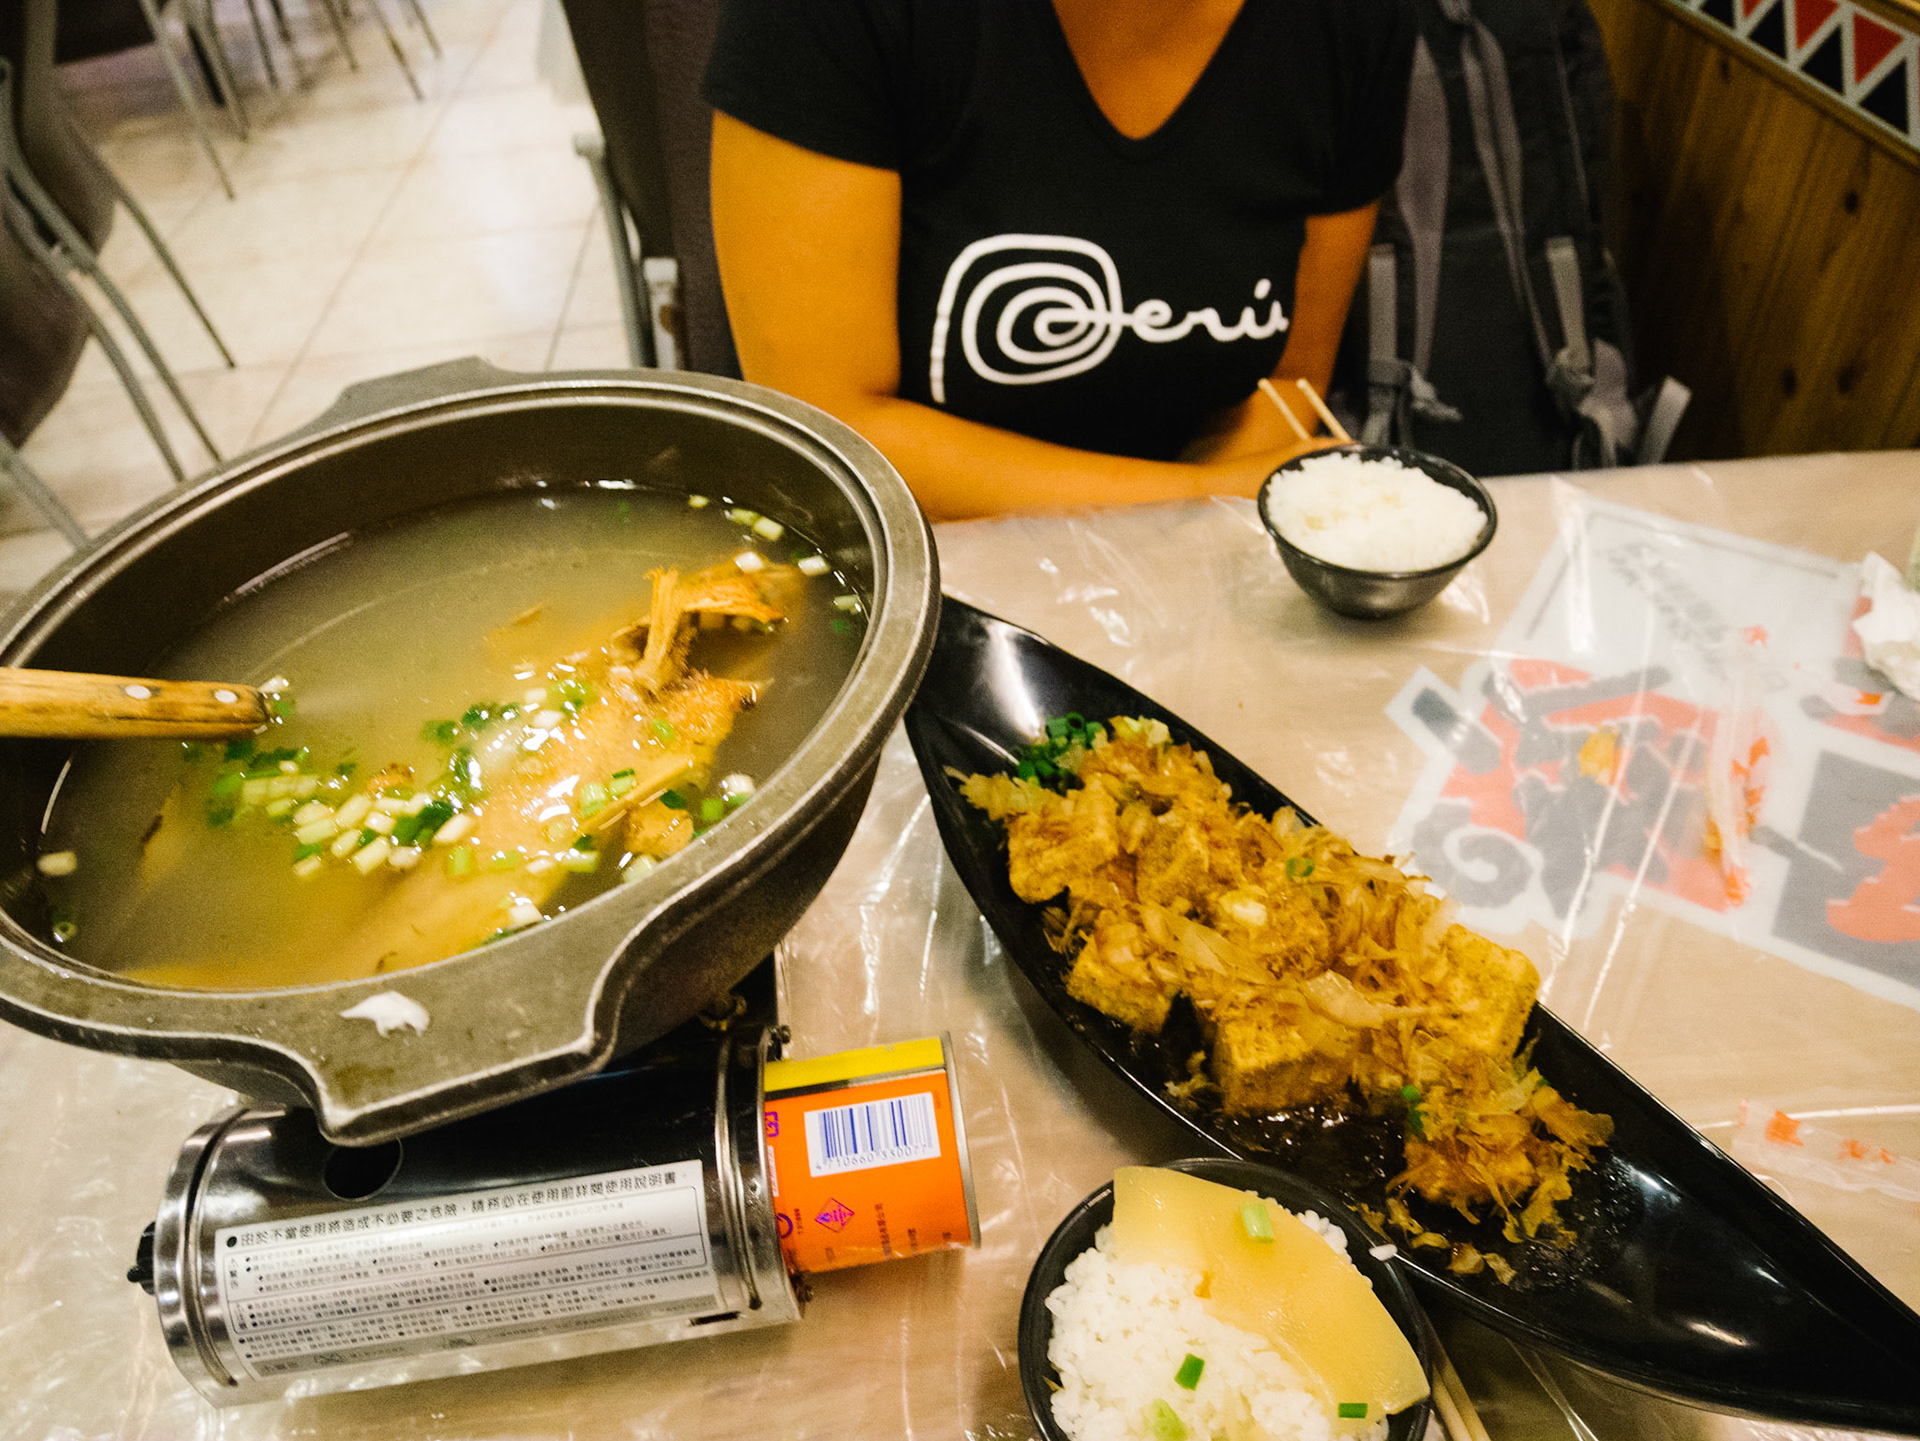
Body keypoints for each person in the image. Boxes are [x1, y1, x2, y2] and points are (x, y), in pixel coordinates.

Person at [705, 0, 1416, 520]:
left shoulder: (1354, 22)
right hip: (904, 573)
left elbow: (1288, 386)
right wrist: (1201, 500)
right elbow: (828, 435)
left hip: (1197, 572)